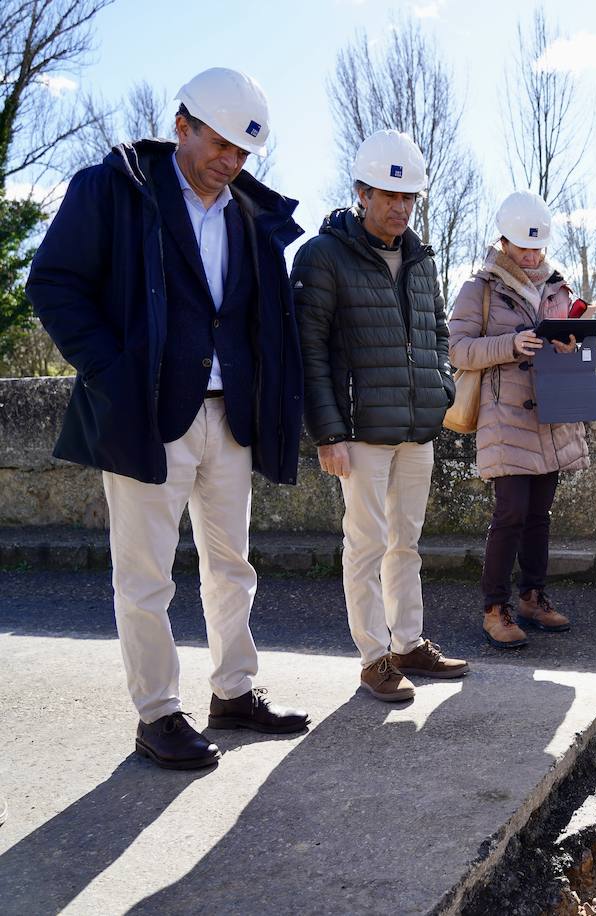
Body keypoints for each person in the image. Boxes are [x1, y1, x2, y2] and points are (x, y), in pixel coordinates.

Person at [27, 68, 310, 770]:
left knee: (232, 567)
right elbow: (53, 284)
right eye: (220, 145)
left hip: (230, 416)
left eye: (244, 154)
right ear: (182, 125)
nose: (232, 162)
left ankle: (234, 693)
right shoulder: (113, 188)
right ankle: (157, 714)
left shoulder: (248, 212)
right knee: (146, 576)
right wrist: (112, 374)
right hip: (148, 414)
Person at [292, 130, 466, 702]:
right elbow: (308, 349)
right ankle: (373, 657)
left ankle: (408, 643)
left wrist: (441, 387)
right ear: (361, 192)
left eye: (409, 197)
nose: (400, 207)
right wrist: (328, 432)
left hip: (417, 428)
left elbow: (438, 332)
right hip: (359, 433)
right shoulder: (322, 256)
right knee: (365, 545)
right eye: (389, 195)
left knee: (406, 543)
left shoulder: (420, 259)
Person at [447, 190, 591, 649]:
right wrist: (511, 344)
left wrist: (575, 345)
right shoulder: (479, 289)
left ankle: (532, 596)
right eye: (522, 247)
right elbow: (456, 349)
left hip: (553, 414)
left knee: (539, 515)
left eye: (537, 248)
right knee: (510, 512)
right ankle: (495, 607)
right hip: (505, 416)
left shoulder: (559, 287)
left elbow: (585, 352)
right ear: (504, 241)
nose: (530, 256)